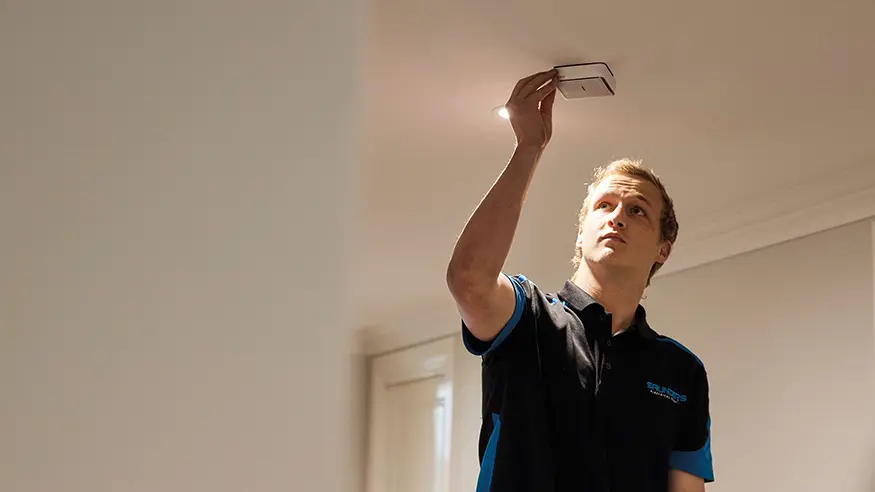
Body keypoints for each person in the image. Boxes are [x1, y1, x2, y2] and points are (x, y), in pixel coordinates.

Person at [446, 68, 714, 492]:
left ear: (663, 248)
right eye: (604, 206)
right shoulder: (526, 318)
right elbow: (469, 280)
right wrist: (529, 147)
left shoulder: (682, 371)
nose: (617, 217)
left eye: (637, 210)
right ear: (581, 230)